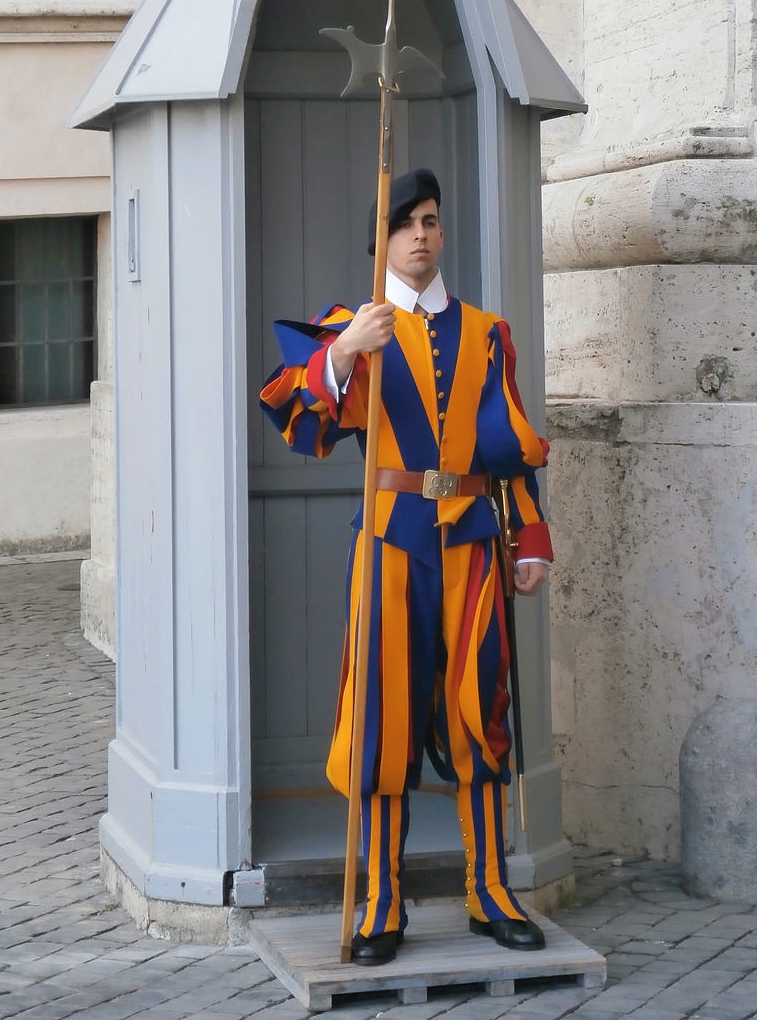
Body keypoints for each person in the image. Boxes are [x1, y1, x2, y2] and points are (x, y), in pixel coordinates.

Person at [260, 169, 552, 965]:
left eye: (430, 220)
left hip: (473, 544)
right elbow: (297, 418)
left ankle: (489, 889)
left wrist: (528, 539)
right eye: (404, 224)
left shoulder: (489, 333)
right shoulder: (353, 329)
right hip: (390, 546)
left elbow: (507, 450)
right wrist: (346, 353)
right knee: (385, 723)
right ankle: (381, 904)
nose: (421, 234)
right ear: (381, 241)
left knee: (480, 718)